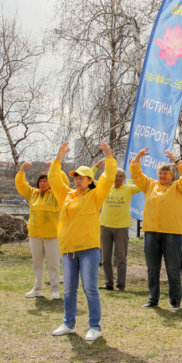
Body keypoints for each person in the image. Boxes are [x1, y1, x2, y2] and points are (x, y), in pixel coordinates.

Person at [49, 141, 116, 341]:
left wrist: (109, 155)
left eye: (81, 178)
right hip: (69, 250)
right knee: (69, 289)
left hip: (88, 249)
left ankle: (95, 326)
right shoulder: (67, 196)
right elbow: (53, 179)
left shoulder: (96, 196)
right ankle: (68, 323)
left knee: (89, 288)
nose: (77, 181)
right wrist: (58, 158)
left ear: (89, 181)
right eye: (75, 177)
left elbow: (108, 178)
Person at [130, 147, 182, 310]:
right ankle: (153, 299)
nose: (162, 176)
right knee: (152, 268)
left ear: (172, 175)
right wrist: (137, 158)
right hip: (151, 232)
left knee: (172, 268)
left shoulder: (179, 187)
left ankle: (175, 301)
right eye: (160, 173)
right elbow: (136, 176)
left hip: (172, 234)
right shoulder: (150, 185)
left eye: (166, 173)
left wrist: (177, 161)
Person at [16, 161, 67, 300]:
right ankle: (37, 289)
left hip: (52, 235)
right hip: (35, 235)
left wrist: (56, 169)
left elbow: (64, 183)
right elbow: (21, 186)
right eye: (41, 181)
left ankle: (55, 290)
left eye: (46, 181)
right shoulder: (33, 194)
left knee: (53, 264)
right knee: (37, 264)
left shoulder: (57, 195)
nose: (43, 183)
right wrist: (22, 170)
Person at [92, 160, 141, 291]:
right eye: (116, 175)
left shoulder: (129, 189)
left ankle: (120, 285)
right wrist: (96, 166)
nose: (118, 178)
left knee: (121, 258)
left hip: (122, 227)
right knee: (105, 258)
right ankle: (108, 283)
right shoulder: (105, 187)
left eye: (121, 176)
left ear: (124, 178)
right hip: (105, 226)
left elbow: (143, 184)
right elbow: (89, 179)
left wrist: (135, 166)